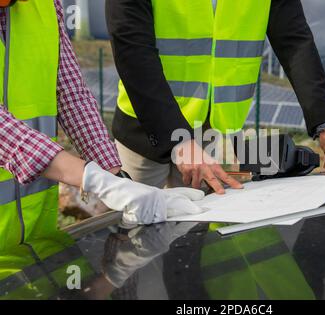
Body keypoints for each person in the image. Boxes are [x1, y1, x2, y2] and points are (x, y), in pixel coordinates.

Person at [106, 0, 325, 194]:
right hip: (144, 134)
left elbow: (295, 41)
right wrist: (177, 139)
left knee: (193, 244)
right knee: (131, 240)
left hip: (213, 136)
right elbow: (132, 48)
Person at [0, 0, 204, 256]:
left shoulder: (43, 4)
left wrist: (117, 178)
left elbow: (70, 92)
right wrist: (95, 180)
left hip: (31, 241)